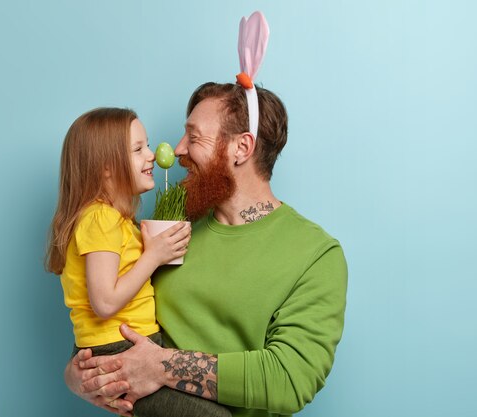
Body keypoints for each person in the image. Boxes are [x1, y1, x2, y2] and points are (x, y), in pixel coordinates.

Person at [64, 84, 348, 417]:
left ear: (241, 148)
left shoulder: (316, 255)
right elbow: (108, 314)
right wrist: (79, 377)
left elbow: (290, 379)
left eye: (194, 137)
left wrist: (162, 366)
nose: (178, 149)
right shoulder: (172, 225)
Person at [46, 107, 231, 417]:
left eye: (147, 145)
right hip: (118, 351)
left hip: (128, 345)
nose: (151, 156)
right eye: (137, 149)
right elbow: (104, 302)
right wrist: (154, 256)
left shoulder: (115, 220)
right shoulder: (100, 218)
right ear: (106, 168)